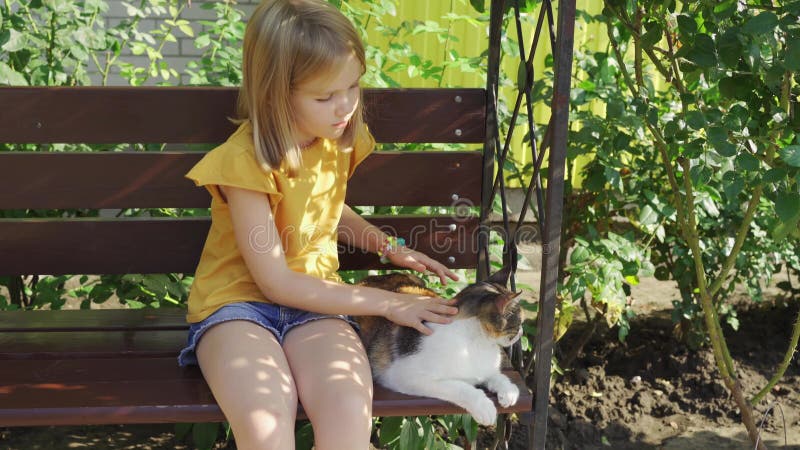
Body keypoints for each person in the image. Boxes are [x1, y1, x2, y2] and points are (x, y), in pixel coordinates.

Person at [176, 1, 460, 449]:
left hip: (316, 307)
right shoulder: (244, 162)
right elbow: (275, 283)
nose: (344, 106)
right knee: (267, 427)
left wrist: (389, 248)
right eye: (325, 96)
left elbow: (328, 208)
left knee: (348, 419)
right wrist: (386, 303)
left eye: (353, 86)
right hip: (237, 309)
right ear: (275, 93)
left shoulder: (334, 139)